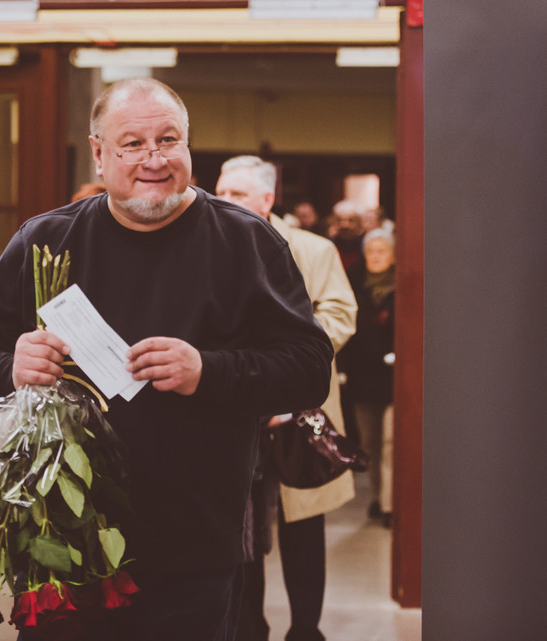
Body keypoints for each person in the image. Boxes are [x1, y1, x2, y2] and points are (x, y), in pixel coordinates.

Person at [0, 77, 333, 641]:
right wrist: (13, 363)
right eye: (132, 144)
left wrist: (208, 370)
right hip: (63, 545)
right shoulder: (45, 241)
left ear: (188, 149)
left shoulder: (246, 242)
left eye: (168, 140)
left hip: (195, 549)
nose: (153, 158)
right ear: (100, 154)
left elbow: (309, 370)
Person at [216, 156, 357, 641]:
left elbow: (341, 312)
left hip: (300, 408)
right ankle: (249, 628)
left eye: (236, 194)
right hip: (237, 409)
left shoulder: (314, 250)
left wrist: (288, 352)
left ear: (267, 199)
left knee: (303, 528)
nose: (224, 202)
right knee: (244, 530)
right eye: (221, 192)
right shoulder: (209, 244)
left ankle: (305, 629)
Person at [340, 228, 396, 528]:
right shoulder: (353, 284)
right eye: (371, 251)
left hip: (393, 378)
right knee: (370, 443)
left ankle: (390, 502)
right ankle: (378, 496)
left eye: (382, 250)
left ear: (393, 255)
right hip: (363, 377)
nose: (375, 256)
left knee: (390, 441)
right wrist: (343, 368)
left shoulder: (402, 286)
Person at [329, 200, 365, 271]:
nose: (345, 225)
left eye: (350, 220)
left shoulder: (365, 245)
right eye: (340, 220)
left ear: (359, 223)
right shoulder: (329, 245)